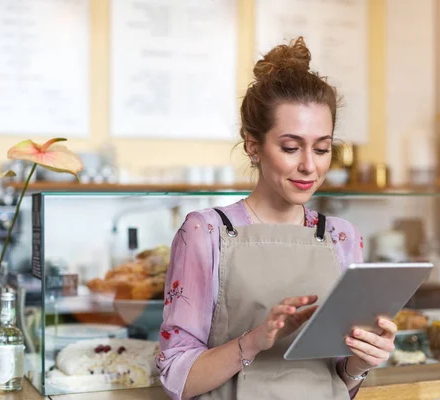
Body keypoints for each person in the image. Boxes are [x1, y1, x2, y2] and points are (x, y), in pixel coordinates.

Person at [156, 37, 397, 400]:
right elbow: (177, 376)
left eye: (322, 148)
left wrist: (360, 363)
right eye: (290, 147)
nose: (309, 166)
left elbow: (337, 381)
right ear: (253, 146)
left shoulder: (343, 238)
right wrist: (253, 342)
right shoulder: (205, 232)